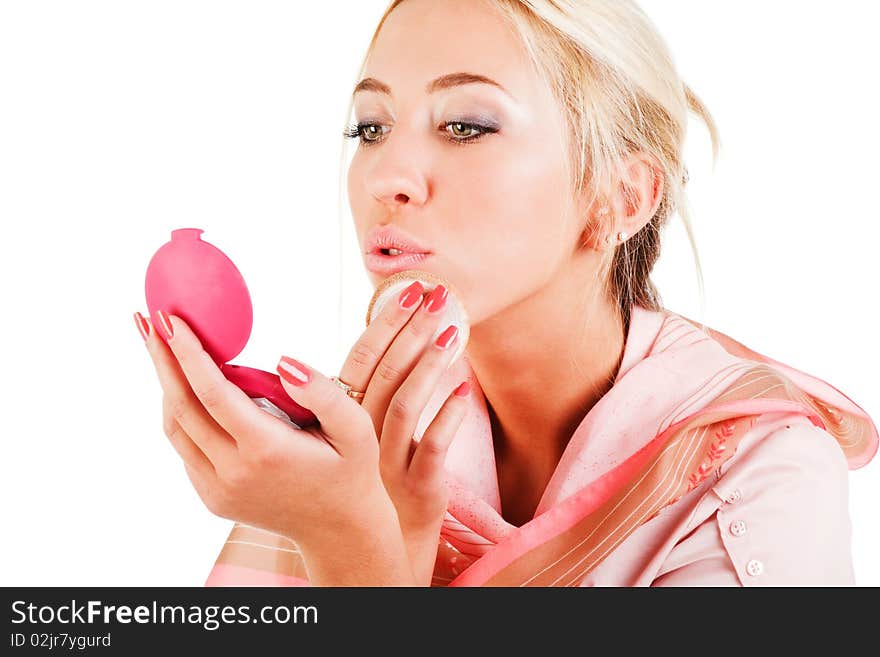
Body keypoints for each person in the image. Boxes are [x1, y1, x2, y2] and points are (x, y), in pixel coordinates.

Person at [135, 0, 877, 586]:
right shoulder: (375, 435)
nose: (390, 176)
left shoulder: (765, 475)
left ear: (621, 196)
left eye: (465, 125)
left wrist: (349, 543)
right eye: (370, 127)